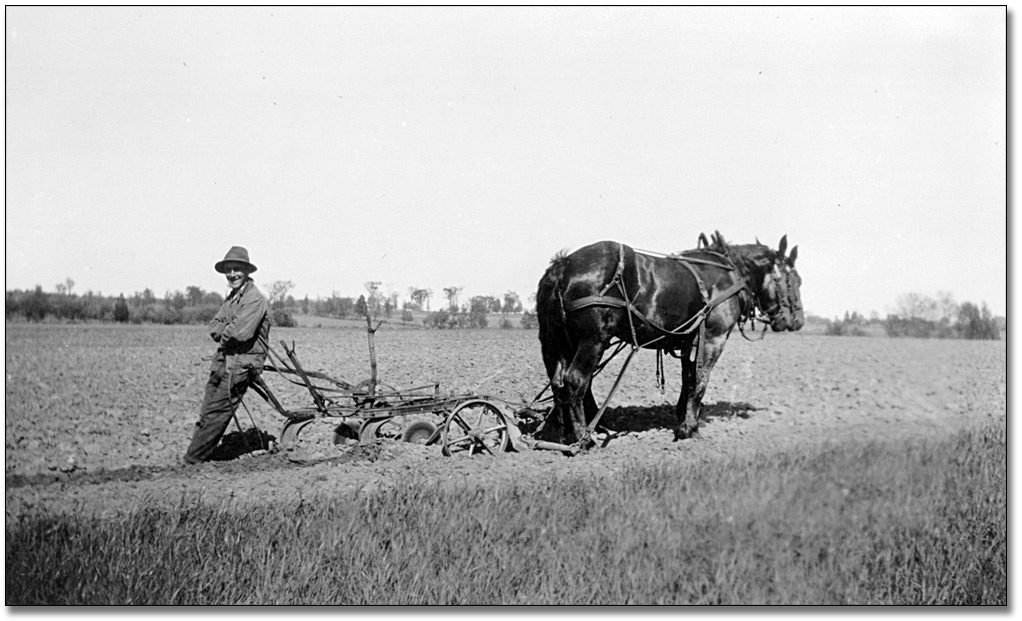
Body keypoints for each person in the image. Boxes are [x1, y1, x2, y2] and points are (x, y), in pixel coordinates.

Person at [183, 246, 270, 464]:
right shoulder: (232, 298)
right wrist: (228, 330)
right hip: (223, 361)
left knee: (216, 414)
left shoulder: (254, 299)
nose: (232, 274)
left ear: (247, 272)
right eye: (229, 270)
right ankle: (197, 455)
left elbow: (240, 333)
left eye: (237, 269)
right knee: (206, 412)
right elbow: (214, 326)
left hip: (243, 364)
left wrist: (227, 329)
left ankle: (192, 461)